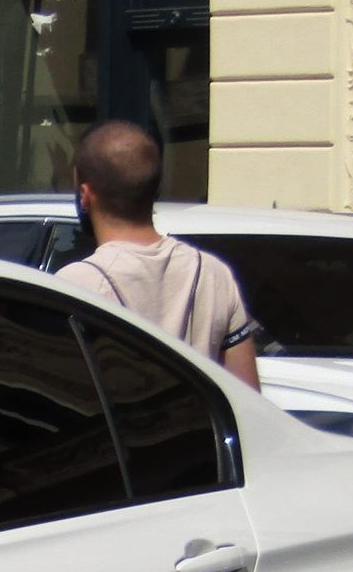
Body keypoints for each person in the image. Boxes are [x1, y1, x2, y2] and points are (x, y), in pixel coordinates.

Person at [58, 120, 262, 387]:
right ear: (155, 188)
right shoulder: (214, 273)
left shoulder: (74, 285)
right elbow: (247, 394)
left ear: (85, 195)